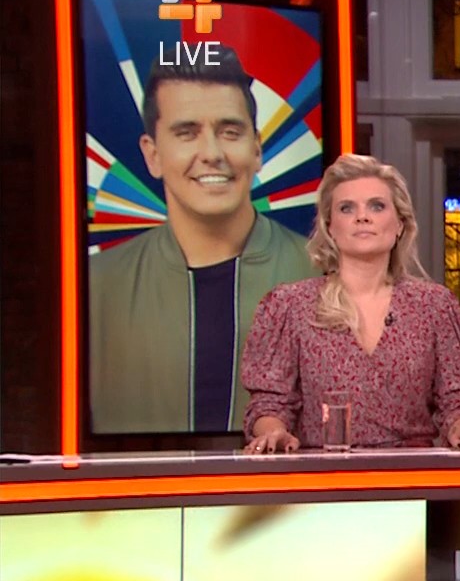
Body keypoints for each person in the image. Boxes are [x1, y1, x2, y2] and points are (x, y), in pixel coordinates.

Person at [91, 45, 316, 434]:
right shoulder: (96, 285)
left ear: (257, 149)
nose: (212, 153)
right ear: (152, 154)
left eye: (230, 132)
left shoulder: (321, 275)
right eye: (187, 133)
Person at [239, 154, 460, 451]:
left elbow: (458, 399)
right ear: (330, 227)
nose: (362, 217)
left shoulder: (434, 306)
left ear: (400, 224)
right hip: (322, 472)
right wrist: (274, 432)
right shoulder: (290, 306)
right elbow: (269, 403)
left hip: (411, 474)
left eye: (377, 206)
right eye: (347, 208)